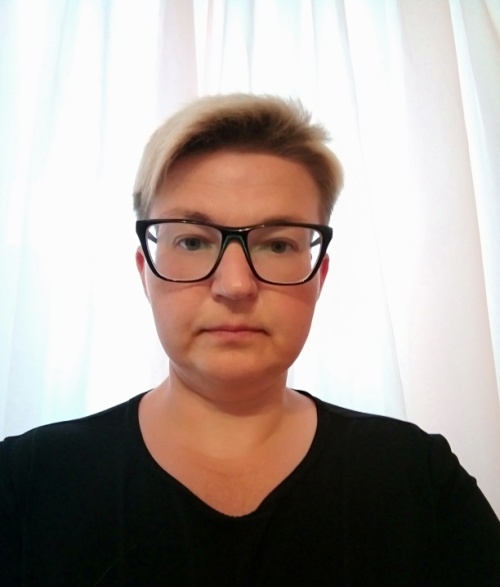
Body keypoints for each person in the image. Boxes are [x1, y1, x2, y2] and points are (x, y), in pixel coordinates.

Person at [1, 93, 499, 586]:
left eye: (278, 245)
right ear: (145, 272)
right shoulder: (28, 481)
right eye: (192, 241)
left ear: (319, 276)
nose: (236, 285)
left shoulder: (415, 476)